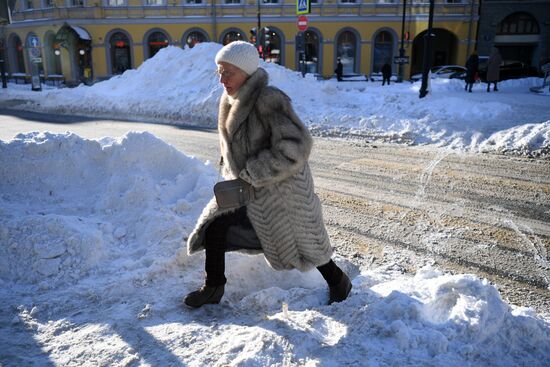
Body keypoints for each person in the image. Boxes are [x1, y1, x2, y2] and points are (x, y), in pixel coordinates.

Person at [184, 41, 353, 308]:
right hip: (247, 190)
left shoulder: (268, 100)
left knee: (306, 245)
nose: (222, 79)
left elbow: (297, 146)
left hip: (282, 194)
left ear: (246, 72)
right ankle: (213, 287)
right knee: (216, 226)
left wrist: (255, 170)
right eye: (219, 71)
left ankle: (339, 281)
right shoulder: (229, 101)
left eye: (228, 72)